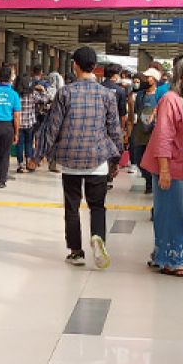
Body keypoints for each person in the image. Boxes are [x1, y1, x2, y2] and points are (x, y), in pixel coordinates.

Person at [32, 47, 121, 269]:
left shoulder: (65, 93)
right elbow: (115, 130)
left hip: (69, 159)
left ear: (75, 65)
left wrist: (37, 155)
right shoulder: (107, 95)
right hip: (98, 159)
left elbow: (52, 128)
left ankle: (76, 252)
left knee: (72, 207)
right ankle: (98, 237)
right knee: (97, 206)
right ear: (95, 67)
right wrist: (115, 159)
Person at [142, 57, 183, 277]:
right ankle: (173, 261)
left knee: (181, 213)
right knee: (178, 214)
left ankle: (162, 256)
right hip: (170, 167)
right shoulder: (171, 99)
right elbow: (163, 136)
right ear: (181, 77)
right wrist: (165, 170)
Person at [129, 68, 160, 194]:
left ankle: (150, 184)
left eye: (149, 77)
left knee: (151, 160)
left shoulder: (160, 94)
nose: (146, 80)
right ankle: (149, 180)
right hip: (140, 131)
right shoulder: (140, 95)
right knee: (138, 159)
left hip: (154, 132)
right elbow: (136, 112)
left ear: (155, 79)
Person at [14, 74, 37, 174]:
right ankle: (28, 162)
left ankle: (20, 165)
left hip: (19, 124)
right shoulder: (33, 94)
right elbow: (45, 99)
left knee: (19, 144)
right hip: (30, 123)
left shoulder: (16, 95)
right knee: (29, 143)